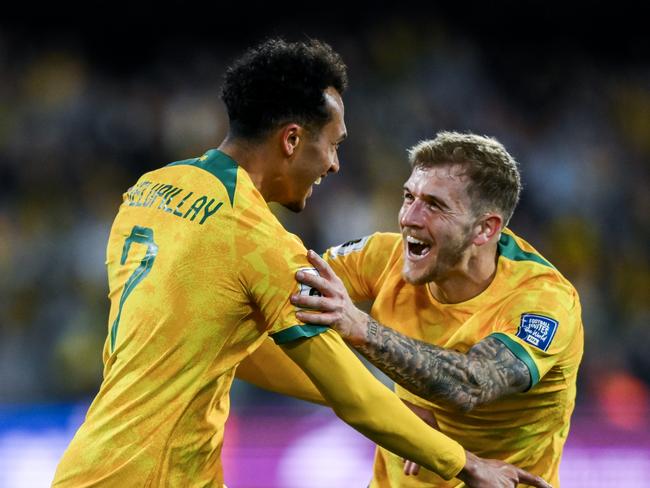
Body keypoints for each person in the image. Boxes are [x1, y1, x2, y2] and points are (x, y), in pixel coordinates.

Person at [51, 41, 550, 488]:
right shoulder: (256, 240)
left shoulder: (148, 190)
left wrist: (403, 409)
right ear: (292, 140)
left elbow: (236, 350)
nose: (333, 164)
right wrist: (464, 463)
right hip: (148, 476)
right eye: (332, 144)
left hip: (100, 459)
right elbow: (349, 392)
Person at [286, 132, 584, 487]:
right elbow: (279, 294)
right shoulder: (383, 258)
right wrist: (396, 413)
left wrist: (361, 328)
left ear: (485, 230)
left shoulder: (543, 301)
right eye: (408, 196)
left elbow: (471, 384)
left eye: (434, 205)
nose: (409, 217)